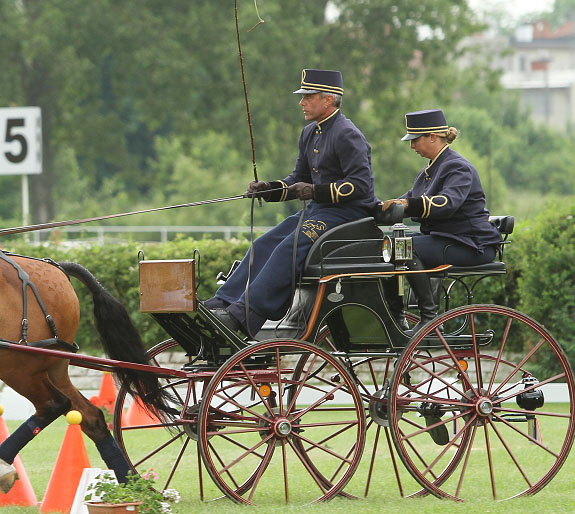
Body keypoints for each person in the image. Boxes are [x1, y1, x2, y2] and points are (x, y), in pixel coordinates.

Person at [204, 69, 377, 336]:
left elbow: (360, 185)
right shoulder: (310, 133)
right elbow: (298, 179)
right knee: (265, 243)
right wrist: (270, 189)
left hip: (348, 215)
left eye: (308, 96)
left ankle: (246, 314)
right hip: (319, 212)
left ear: (328, 100)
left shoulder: (347, 134)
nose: (301, 102)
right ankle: (223, 301)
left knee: (289, 247)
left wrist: (316, 191)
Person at [380, 109, 503, 329]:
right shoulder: (431, 168)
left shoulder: (458, 167)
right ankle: (395, 316)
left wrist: (407, 204)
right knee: (386, 245)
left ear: (433, 137)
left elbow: (447, 203)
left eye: (415, 140)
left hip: (470, 243)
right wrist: (374, 210)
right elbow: (407, 200)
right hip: (447, 239)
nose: (412, 146)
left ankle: (430, 320)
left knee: (404, 247)